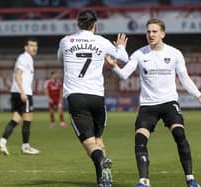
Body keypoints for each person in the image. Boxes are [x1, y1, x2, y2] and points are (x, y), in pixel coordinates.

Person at [105, 18, 201, 187]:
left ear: (163, 33)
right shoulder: (139, 54)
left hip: (169, 102)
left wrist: (198, 94)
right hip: (148, 106)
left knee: (179, 134)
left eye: (155, 31)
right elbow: (124, 75)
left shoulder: (175, 53)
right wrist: (114, 67)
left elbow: (184, 78)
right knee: (140, 139)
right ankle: (144, 181)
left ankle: (190, 179)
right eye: (148, 32)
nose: (151, 34)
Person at [57, 9, 128, 187]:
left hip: (76, 97)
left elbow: (61, 59)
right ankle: (103, 180)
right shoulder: (102, 42)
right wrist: (120, 47)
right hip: (97, 98)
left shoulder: (66, 41)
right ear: (95, 24)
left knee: (89, 144)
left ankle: (102, 161)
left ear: (78, 23)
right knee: (98, 139)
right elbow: (124, 58)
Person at [0, 38, 40, 156]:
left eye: (35, 46)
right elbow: (18, 74)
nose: (34, 48)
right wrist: (22, 91)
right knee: (28, 118)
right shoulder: (24, 57)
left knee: (16, 118)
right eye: (31, 46)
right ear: (26, 47)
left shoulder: (27, 58)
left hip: (16, 92)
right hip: (23, 92)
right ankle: (25, 146)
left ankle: (2, 141)